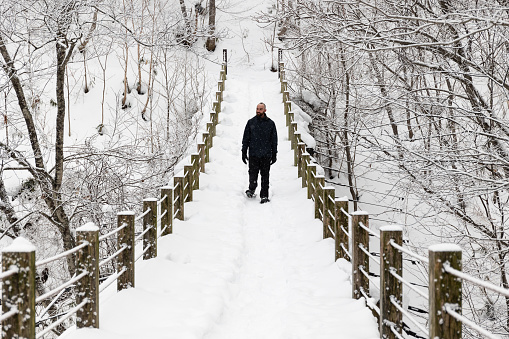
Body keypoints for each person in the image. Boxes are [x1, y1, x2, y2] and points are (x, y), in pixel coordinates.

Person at [242, 102, 278, 204]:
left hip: (266, 155)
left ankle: (264, 196)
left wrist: (274, 154)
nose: (258, 110)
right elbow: (246, 138)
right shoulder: (251, 123)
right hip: (253, 154)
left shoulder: (271, 124)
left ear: (265, 110)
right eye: (257, 108)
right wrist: (244, 151)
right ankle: (252, 189)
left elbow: (274, 140)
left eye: (260, 109)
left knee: (265, 176)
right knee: (252, 174)